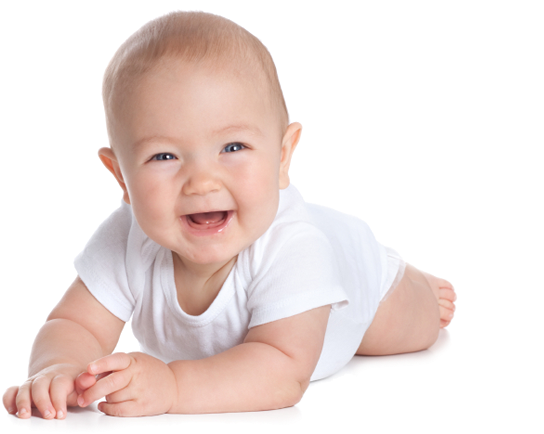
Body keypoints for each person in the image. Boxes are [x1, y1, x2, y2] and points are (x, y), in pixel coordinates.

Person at [2, 9, 456, 419]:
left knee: (408, 327)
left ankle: (411, 279)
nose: (202, 182)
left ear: (282, 157)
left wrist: (174, 387)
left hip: (359, 284)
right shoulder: (125, 238)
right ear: (120, 176)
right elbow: (74, 323)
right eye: (164, 156)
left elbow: (281, 370)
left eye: (232, 147)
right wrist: (59, 368)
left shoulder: (296, 248)